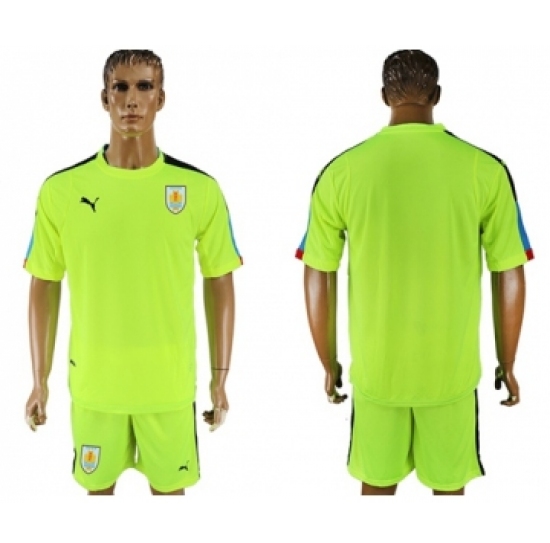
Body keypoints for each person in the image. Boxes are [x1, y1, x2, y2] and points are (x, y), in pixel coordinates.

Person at [295, 49, 533, 495]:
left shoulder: (341, 173)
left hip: (376, 376)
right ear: (437, 95)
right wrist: (509, 362)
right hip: (450, 377)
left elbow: (318, 273)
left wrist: (328, 362)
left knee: (376, 489)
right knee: (449, 491)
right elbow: (510, 272)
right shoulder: (485, 170)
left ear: (383, 96)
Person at [23, 49, 242, 495]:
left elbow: (220, 280)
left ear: (161, 98)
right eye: (120, 87)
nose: (131, 100)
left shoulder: (199, 190)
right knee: (98, 499)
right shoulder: (61, 191)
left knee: (170, 498)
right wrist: (38, 382)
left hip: (168, 389)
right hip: (95, 389)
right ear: (104, 98)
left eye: (144, 86)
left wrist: (220, 378)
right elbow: (44, 283)